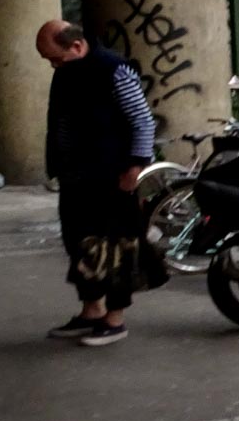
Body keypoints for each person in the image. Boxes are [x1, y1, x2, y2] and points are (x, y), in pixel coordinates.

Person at [36, 20, 156, 345]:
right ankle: (91, 310)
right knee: (78, 243)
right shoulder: (68, 71)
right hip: (76, 176)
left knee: (116, 247)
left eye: (56, 58)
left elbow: (142, 121)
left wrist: (134, 168)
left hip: (111, 175)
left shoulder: (114, 70)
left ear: (76, 46)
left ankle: (115, 319)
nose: (53, 65)